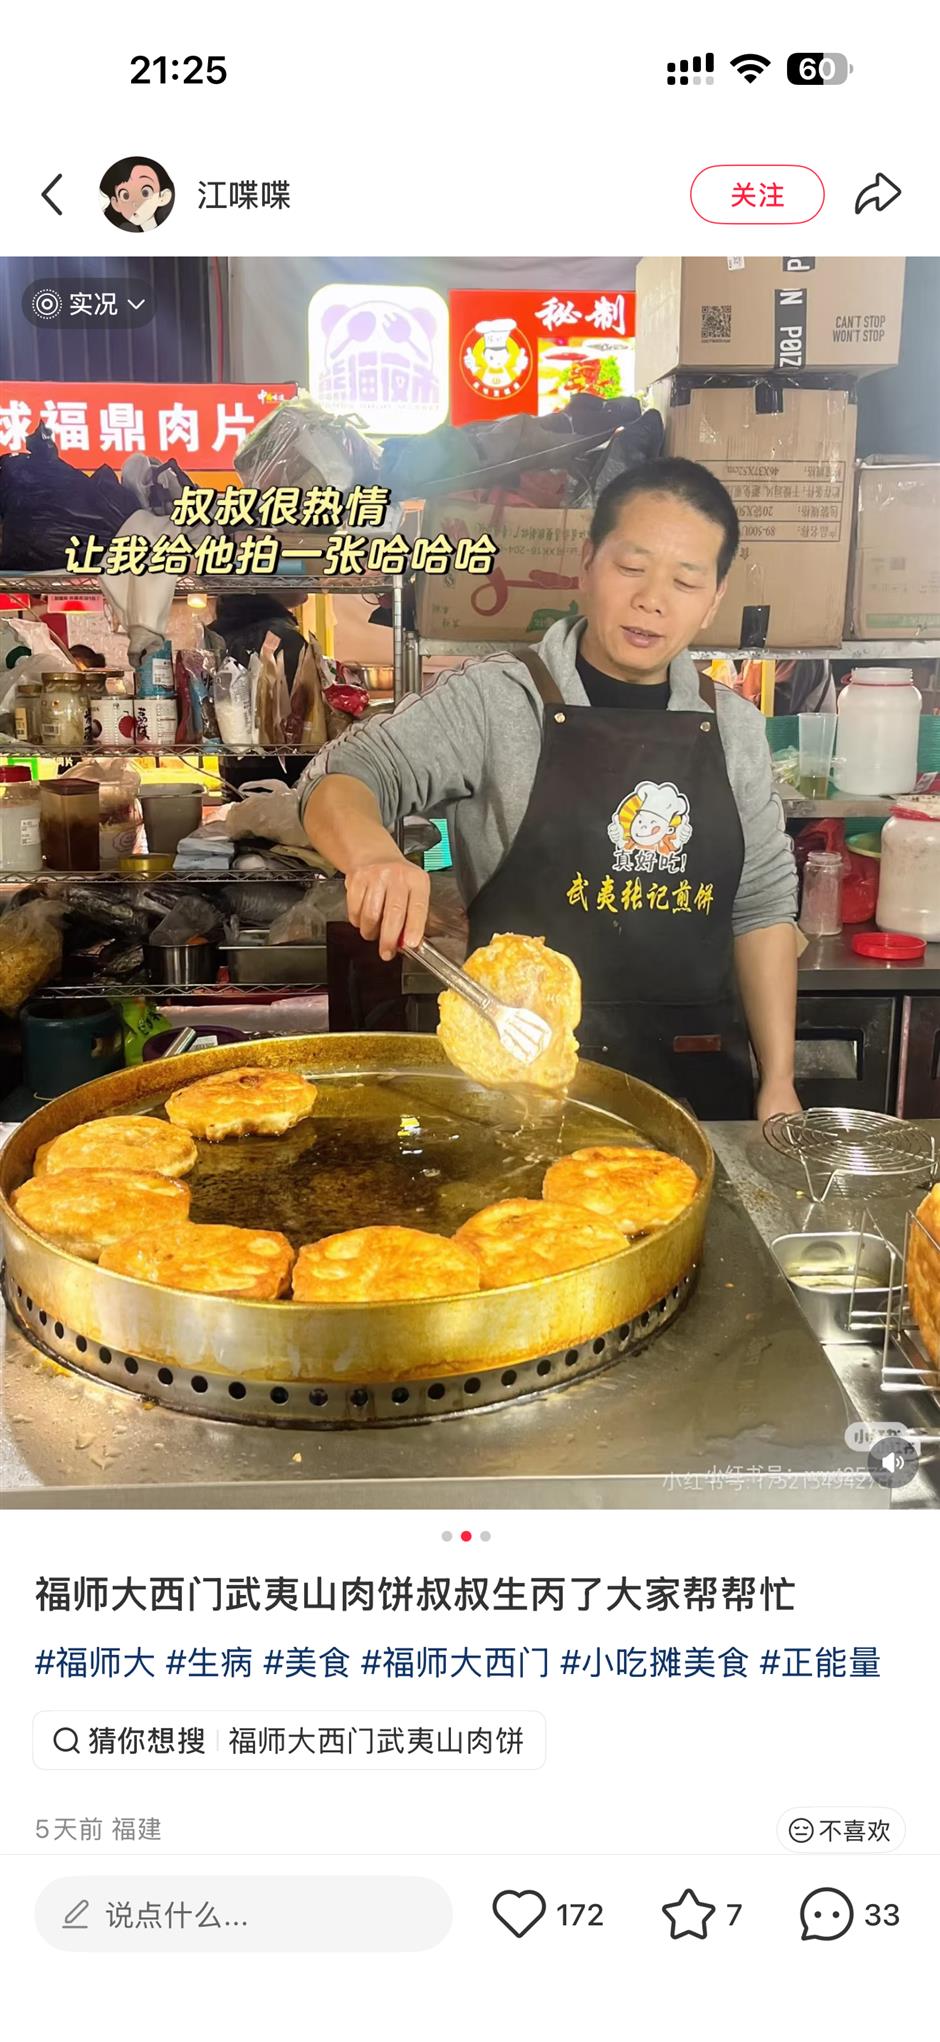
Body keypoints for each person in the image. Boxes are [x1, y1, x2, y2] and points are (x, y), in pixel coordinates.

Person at [297, 459, 801, 1122]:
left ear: (713, 597)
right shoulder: (499, 700)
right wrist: (372, 855)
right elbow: (341, 777)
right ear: (587, 563)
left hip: (696, 1090)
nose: (653, 598)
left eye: (685, 580)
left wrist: (779, 1083)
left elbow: (761, 910)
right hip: (516, 1086)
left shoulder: (733, 727)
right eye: (632, 567)